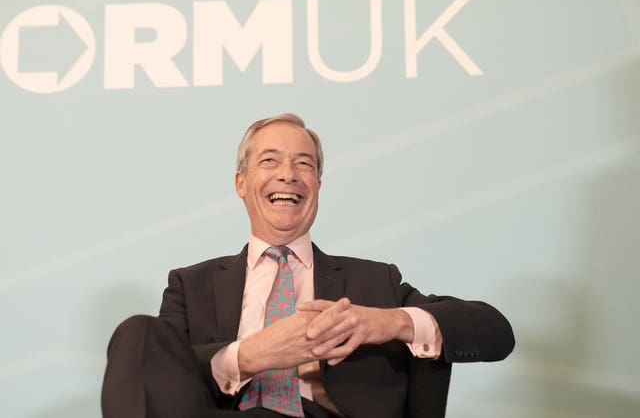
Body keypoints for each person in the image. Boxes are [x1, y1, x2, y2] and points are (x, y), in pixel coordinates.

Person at [101, 114, 515, 418]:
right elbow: (161, 382)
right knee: (137, 334)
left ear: (318, 183)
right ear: (241, 183)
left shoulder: (374, 282)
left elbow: (496, 333)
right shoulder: (191, 285)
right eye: (269, 161)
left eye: (304, 164)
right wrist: (250, 354)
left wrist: (389, 323)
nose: (289, 176)